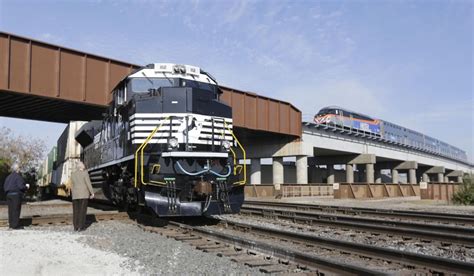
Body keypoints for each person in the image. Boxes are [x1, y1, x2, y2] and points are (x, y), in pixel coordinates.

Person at [3, 163, 29, 229]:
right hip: (16, 195)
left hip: (8, 195)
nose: (20, 170)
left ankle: (11, 225)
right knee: (16, 210)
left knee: (10, 210)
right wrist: (26, 187)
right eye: (19, 168)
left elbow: (5, 186)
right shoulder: (18, 176)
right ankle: (15, 226)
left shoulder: (8, 177)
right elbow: (21, 187)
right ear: (17, 169)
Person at [70, 162, 94, 231]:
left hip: (75, 195)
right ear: (81, 167)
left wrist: (73, 193)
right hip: (83, 195)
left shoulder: (73, 174)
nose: (84, 165)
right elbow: (88, 183)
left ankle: (75, 227)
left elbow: (72, 185)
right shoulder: (85, 173)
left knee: (76, 211)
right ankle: (81, 226)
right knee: (82, 211)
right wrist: (92, 193)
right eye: (83, 164)